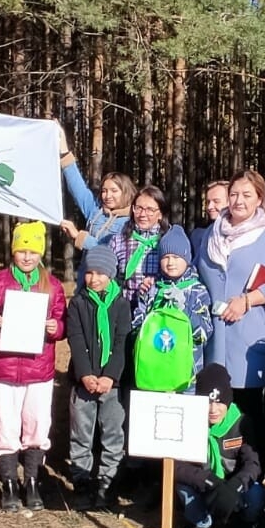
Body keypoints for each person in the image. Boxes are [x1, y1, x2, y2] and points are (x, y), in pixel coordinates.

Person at [194, 170, 265, 468]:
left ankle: (255, 470)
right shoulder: (212, 234)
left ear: (259, 199)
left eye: (247, 195)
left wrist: (248, 300)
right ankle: (215, 468)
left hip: (250, 337)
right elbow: (198, 272)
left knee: (248, 409)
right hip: (215, 336)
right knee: (214, 403)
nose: (239, 201)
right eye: (234, 194)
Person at [0, 221, 67, 512]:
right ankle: (10, 482)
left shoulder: (52, 286)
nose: (27, 257)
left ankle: (33, 481)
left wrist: (56, 328)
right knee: (6, 424)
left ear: (41, 253)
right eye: (22, 250)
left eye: (33, 251)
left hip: (39, 370)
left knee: (37, 424)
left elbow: (62, 323)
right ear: (13, 251)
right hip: (4, 368)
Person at [65, 246, 132, 509]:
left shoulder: (121, 304)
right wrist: (85, 374)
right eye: (89, 273)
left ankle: (107, 482)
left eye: (100, 273)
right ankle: (82, 481)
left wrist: (110, 376)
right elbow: (76, 339)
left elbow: (122, 341)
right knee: (81, 433)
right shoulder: (78, 303)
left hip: (111, 384)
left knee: (113, 433)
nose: (94, 279)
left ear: (111, 275)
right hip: (83, 381)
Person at [173, 364, 264, 528]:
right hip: (206, 485)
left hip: (232, 488)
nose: (213, 409)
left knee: (256, 492)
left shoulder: (241, 423)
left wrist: (235, 486)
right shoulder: (189, 422)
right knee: (182, 486)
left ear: (228, 401)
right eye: (207, 402)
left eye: (219, 402)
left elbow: (252, 464)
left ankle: (244, 523)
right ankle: (201, 523)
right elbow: (176, 466)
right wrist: (208, 481)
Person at [130, 225, 213, 390]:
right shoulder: (152, 289)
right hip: (152, 373)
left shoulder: (197, 291)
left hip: (186, 376)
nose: (170, 263)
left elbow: (204, 334)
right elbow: (137, 328)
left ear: (187, 258)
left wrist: (185, 309)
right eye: (165, 257)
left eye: (176, 257)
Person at [56, 124, 136, 252]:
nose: (107, 196)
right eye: (104, 191)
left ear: (126, 192)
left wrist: (78, 236)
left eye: (114, 191)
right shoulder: (96, 211)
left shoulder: (132, 221)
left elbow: (111, 252)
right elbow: (77, 187)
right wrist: (63, 148)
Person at [109, 185, 169, 302]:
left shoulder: (168, 241)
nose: (142, 214)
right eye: (139, 208)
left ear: (160, 214)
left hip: (159, 305)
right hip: (125, 305)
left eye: (150, 210)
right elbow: (108, 277)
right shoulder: (119, 241)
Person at [189, 180, 230, 256]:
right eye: (208, 202)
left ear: (230, 202)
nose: (209, 207)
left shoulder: (244, 235)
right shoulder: (199, 237)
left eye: (216, 201)